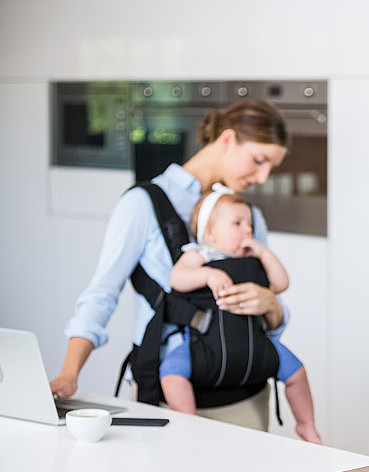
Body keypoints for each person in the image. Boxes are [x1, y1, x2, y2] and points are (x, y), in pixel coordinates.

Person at [50, 99, 313, 433]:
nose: (262, 177)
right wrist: (70, 373)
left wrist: (272, 306)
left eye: (270, 168)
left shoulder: (249, 217)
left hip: (245, 400)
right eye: (259, 161)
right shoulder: (142, 205)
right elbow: (102, 294)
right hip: (164, 396)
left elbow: (272, 314)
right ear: (228, 140)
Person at [163, 185, 321, 443]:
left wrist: (263, 252)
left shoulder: (255, 257)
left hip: (255, 343)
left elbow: (281, 283)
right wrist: (207, 274)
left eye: (249, 224)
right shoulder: (199, 254)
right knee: (171, 373)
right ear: (210, 232)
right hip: (206, 345)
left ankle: (306, 425)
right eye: (237, 223)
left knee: (297, 372)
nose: (248, 230)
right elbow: (176, 279)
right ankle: (187, 424)